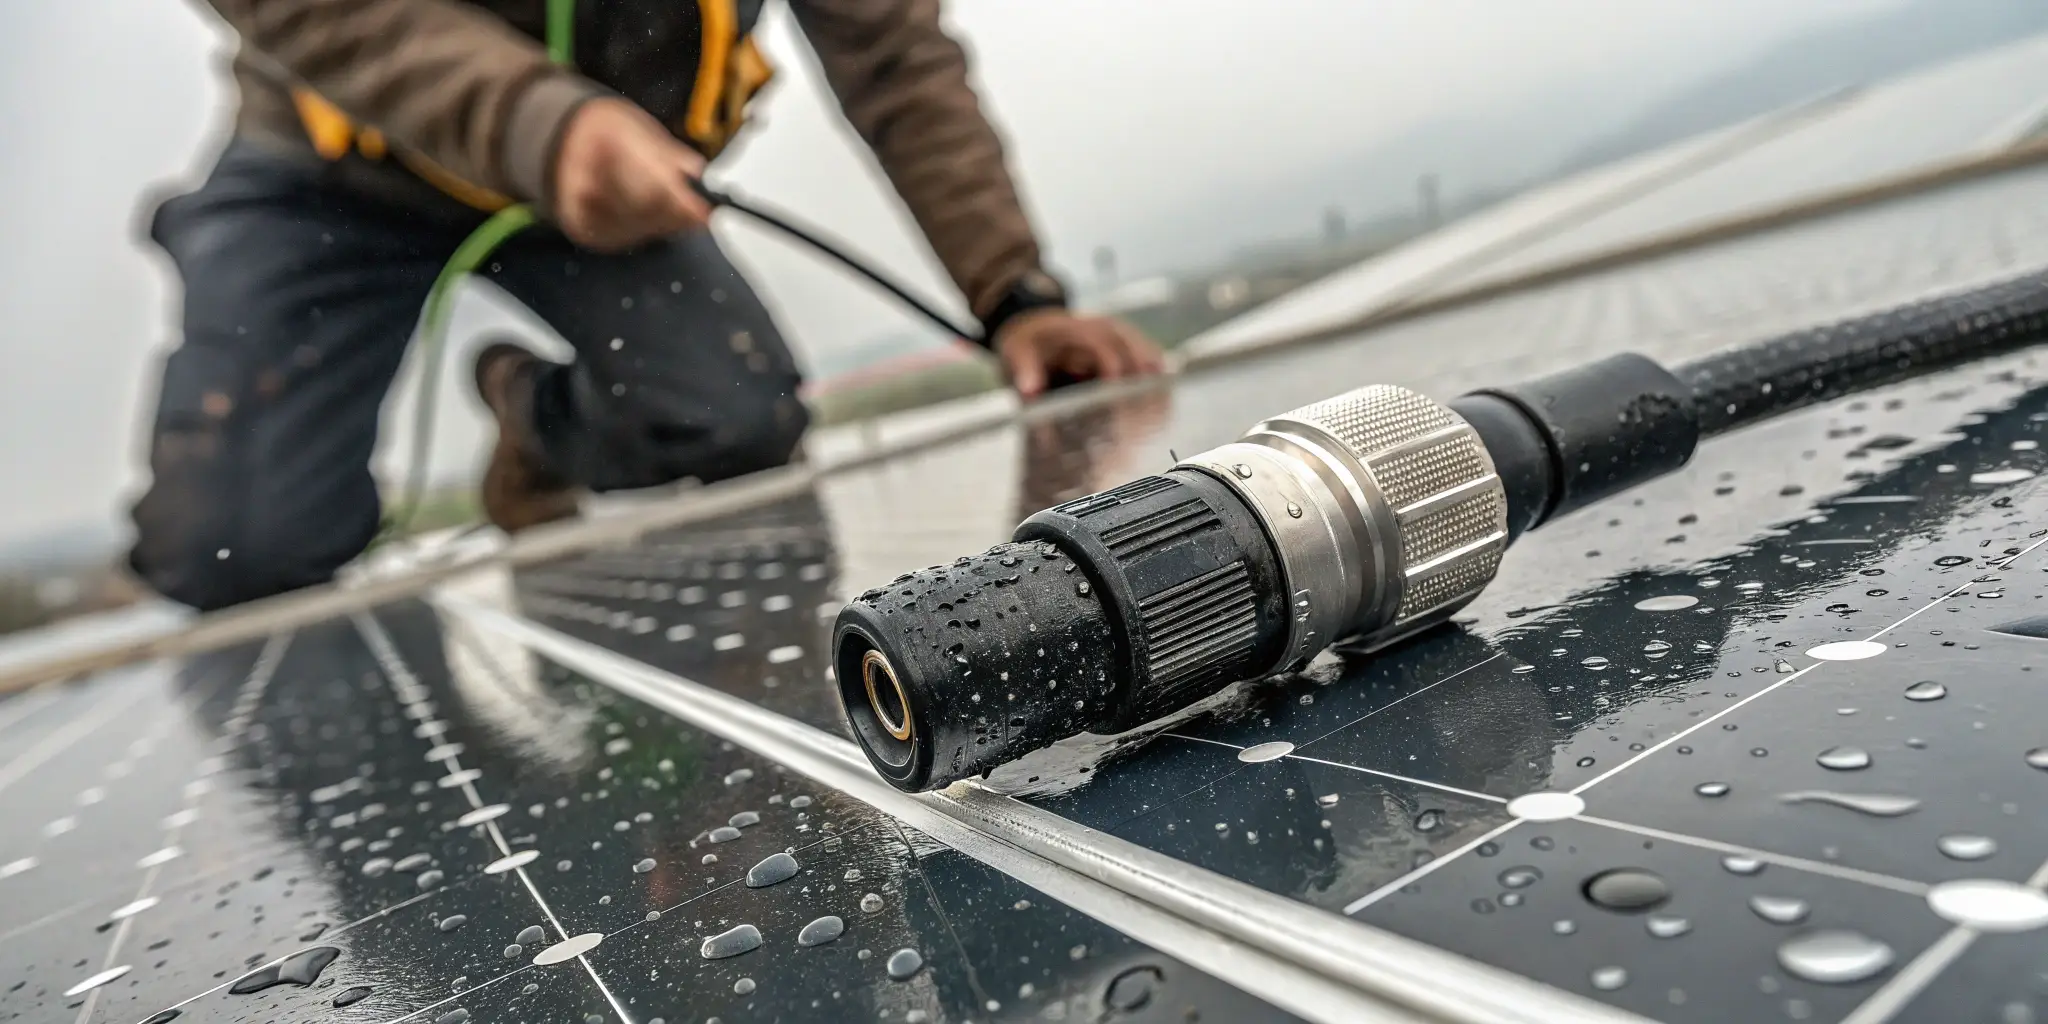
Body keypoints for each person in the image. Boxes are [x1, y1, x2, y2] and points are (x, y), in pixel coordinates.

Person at [128, 0, 1165, 613]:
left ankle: (529, 422)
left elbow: (894, 58)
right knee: (239, 549)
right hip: (338, 170)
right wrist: (539, 124)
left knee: (733, 417)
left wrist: (1014, 292)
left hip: (600, 176)